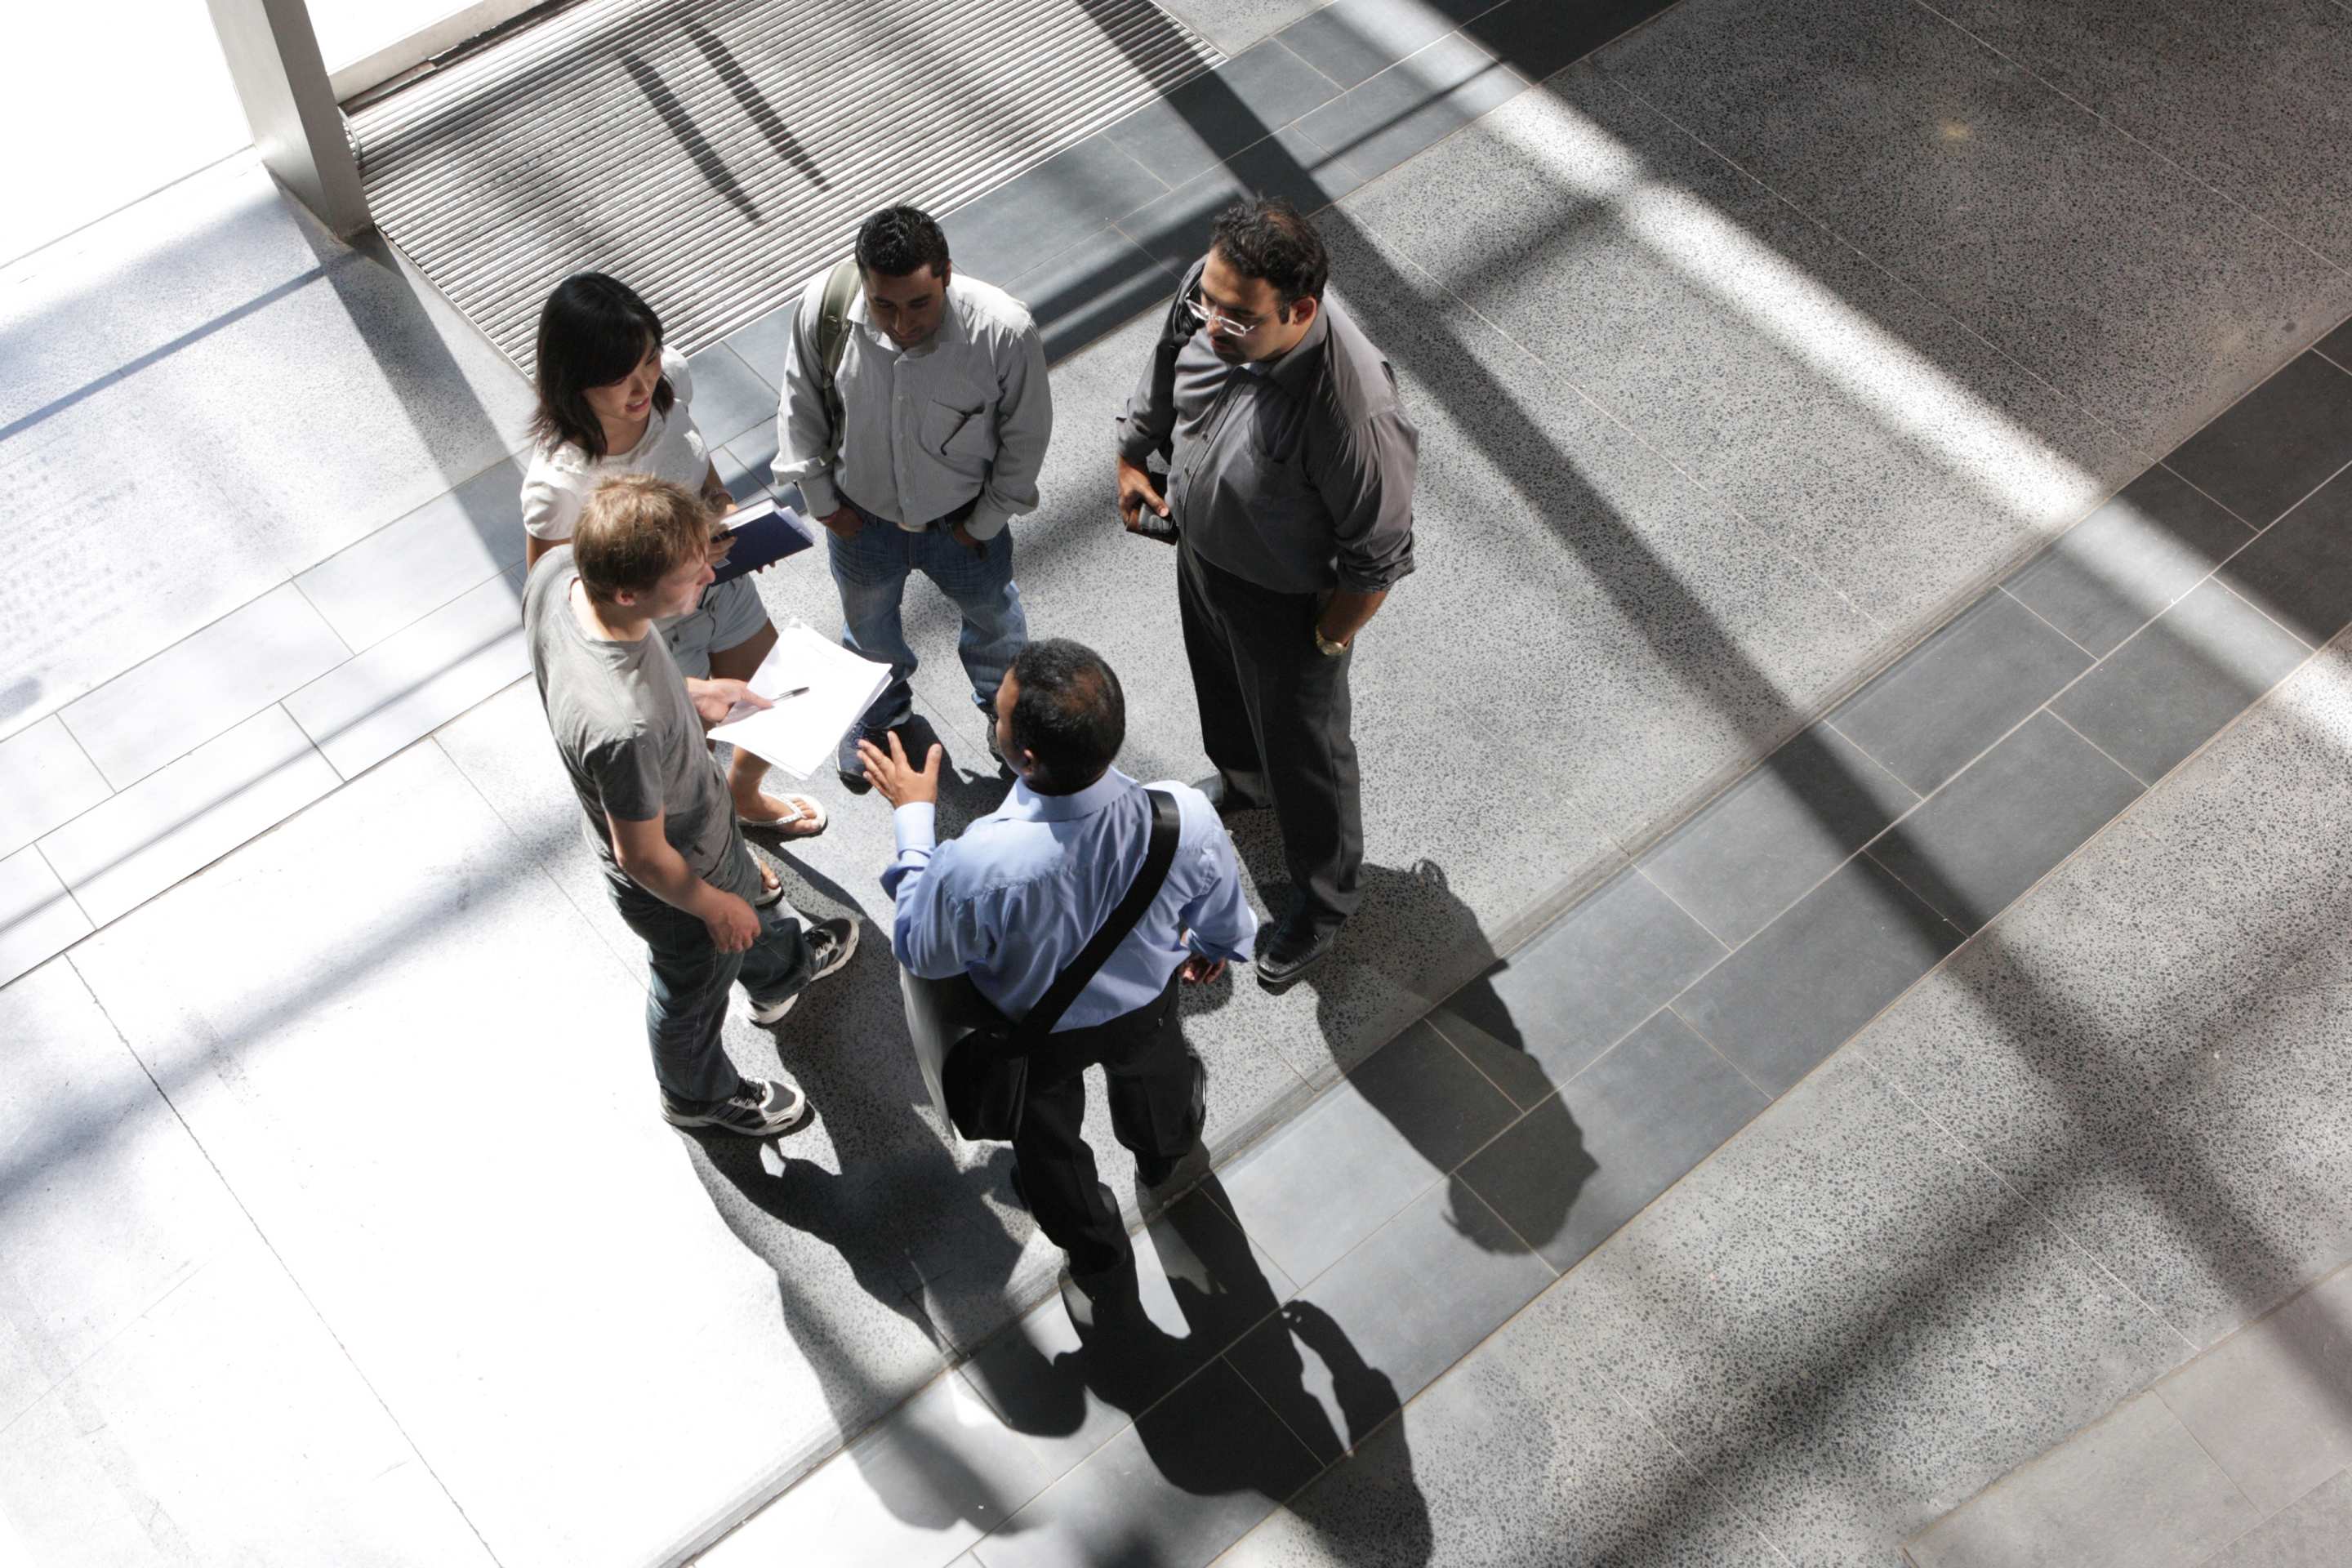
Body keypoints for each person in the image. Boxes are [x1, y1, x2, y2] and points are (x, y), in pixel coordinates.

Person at [858, 639, 1256, 1308]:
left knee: (1047, 1146)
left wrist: (913, 820)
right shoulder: (1181, 814)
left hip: (1033, 1035)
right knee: (1158, 1085)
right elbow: (1219, 908)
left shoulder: (977, 863)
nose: (995, 719)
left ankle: (1094, 1246)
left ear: (1025, 758)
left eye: (998, 716)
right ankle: (1165, 1155)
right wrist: (1216, 945)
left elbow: (922, 951)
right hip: (1145, 1009)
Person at [1114, 197, 1419, 987]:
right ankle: (1246, 784)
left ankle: (1324, 899)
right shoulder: (1216, 291)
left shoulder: (1353, 409)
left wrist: (1325, 640)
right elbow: (1166, 361)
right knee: (1220, 684)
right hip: (1204, 556)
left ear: (1300, 311)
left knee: (1307, 751)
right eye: (1208, 303)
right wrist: (1133, 453)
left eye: (1238, 317)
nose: (1213, 324)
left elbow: (1379, 555)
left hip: (1287, 603)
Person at [522, 473, 858, 1137]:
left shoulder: (561, 573)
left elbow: (615, 661)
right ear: (628, 591)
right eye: (690, 572)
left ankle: (781, 974)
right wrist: (710, 905)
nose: (709, 574)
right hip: (679, 877)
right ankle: (695, 1094)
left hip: (699, 825)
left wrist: (693, 691)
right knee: (692, 987)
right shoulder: (624, 729)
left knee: (744, 914)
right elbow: (643, 856)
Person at [521, 273, 826, 849]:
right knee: (684, 761)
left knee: (776, 697)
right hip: (650, 628)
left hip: (718, 581)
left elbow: (692, 456)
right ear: (574, 378)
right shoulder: (559, 484)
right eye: (619, 376)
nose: (642, 385)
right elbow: (553, 599)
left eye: (648, 360)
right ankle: (716, 850)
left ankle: (743, 796)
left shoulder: (670, 379)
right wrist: (663, 569)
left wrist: (722, 507)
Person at [773, 204, 1051, 791]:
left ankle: (1008, 716)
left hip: (964, 524)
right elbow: (800, 405)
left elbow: (1026, 437)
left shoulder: (1001, 331)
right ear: (863, 282)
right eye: (884, 306)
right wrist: (826, 506)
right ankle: (882, 717)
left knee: (995, 624)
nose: (901, 323)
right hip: (861, 521)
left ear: (946, 273)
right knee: (867, 630)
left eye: (919, 304)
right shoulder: (826, 308)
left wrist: (984, 522)